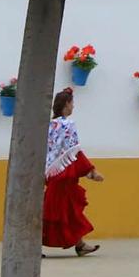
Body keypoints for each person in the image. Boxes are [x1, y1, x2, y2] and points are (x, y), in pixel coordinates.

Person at [43, 88, 103, 256]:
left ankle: (80, 244)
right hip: (64, 175)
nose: (73, 107)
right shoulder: (68, 125)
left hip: (51, 173)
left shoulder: (49, 125)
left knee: (65, 211)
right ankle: (32, 247)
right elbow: (74, 151)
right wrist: (91, 170)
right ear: (67, 104)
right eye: (72, 103)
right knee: (60, 212)